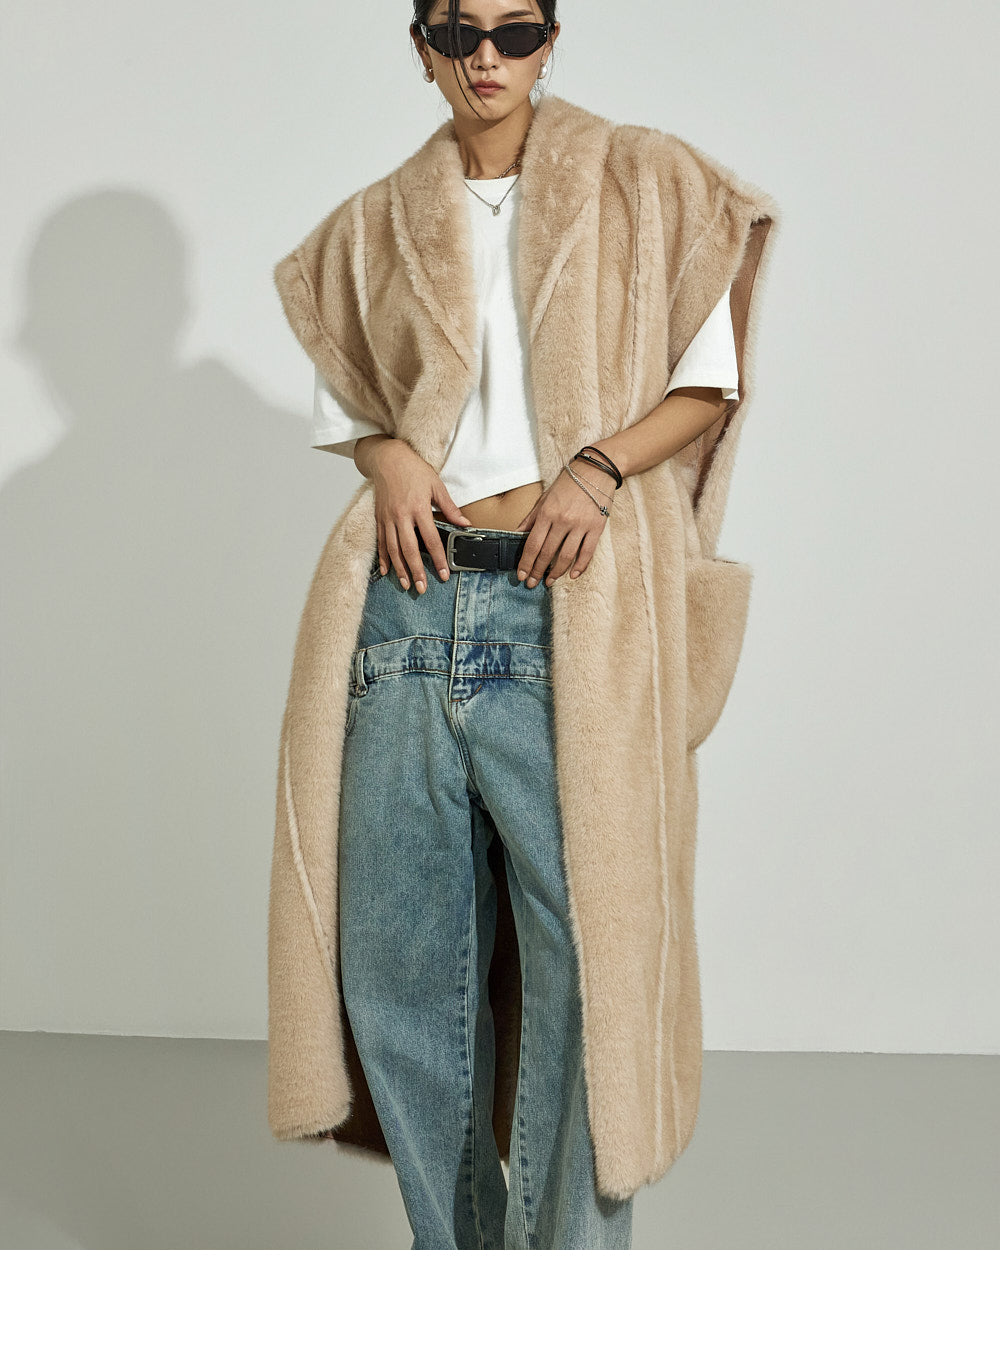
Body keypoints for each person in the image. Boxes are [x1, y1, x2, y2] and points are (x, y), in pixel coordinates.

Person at [268, 0, 779, 1250]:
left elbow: (707, 382)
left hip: (566, 616)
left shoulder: (644, 183)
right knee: (398, 968)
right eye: (456, 33)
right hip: (405, 607)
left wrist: (598, 468)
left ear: (552, 41)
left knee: (588, 964)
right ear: (422, 47)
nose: (485, 57)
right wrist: (388, 456)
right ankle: (463, 1268)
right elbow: (353, 408)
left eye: (514, 31)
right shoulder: (373, 225)